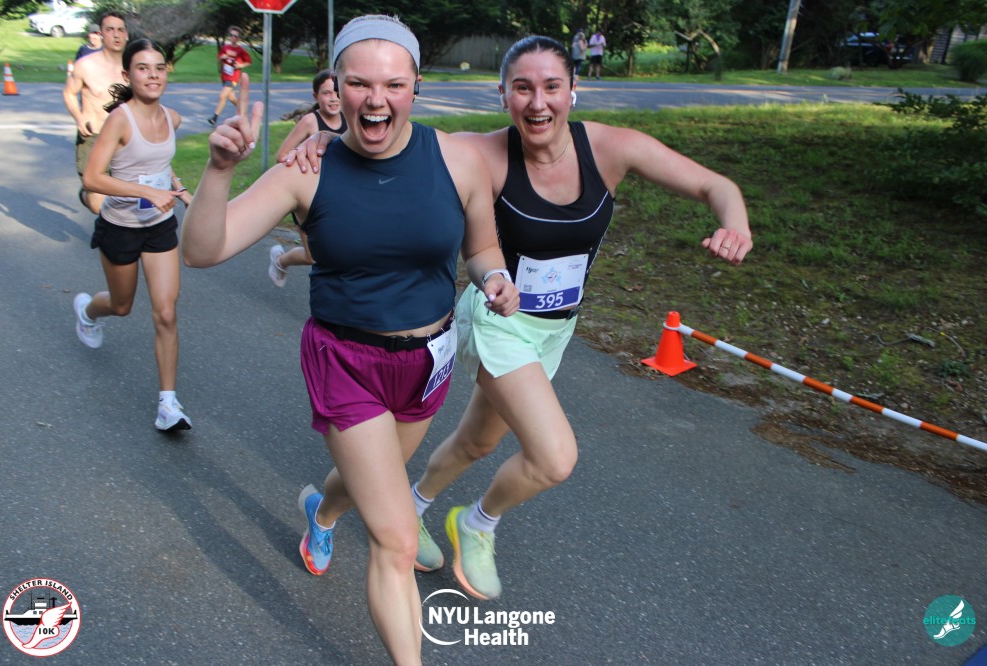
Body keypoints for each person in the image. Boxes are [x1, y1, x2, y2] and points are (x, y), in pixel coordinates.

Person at [291, 35, 752, 601]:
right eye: (522, 88)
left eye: (552, 87)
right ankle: (478, 524)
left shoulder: (611, 148)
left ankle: (410, 506)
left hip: (556, 329)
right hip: (497, 316)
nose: (538, 103)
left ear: (573, 91)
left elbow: (715, 184)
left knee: (477, 443)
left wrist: (735, 224)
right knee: (555, 457)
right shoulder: (481, 154)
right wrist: (324, 140)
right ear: (503, 94)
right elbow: (391, 139)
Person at [181, 15, 519, 664]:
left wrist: (495, 277)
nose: (375, 99)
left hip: (427, 362)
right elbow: (203, 250)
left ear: (415, 88)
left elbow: (481, 247)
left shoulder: (458, 160)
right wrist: (219, 170)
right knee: (395, 538)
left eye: (393, 84)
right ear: (334, 87)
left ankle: (322, 512)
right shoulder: (305, 169)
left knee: (368, 481)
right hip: (347, 364)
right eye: (359, 83)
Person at [75, 38, 193, 432]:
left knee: (166, 312)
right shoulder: (120, 120)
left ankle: (168, 405)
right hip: (120, 228)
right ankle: (88, 312)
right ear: (127, 75)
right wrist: (146, 191)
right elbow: (93, 177)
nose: (153, 75)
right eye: (143, 68)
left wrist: (179, 189)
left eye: (159, 67)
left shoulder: (172, 118)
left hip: (159, 226)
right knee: (121, 305)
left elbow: (159, 162)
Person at [268, 69, 347, 288]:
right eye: (326, 93)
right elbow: (281, 156)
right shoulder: (310, 121)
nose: (333, 98)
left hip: (338, 195)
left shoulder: (348, 118)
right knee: (312, 256)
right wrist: (305, 159)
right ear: (315, 96)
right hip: (309, 197)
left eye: (337, 92)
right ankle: (280, 260)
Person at [64, 11, 129, 214]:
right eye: (110, 30)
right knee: (97, 205)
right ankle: (87, 194)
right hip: (94, 136)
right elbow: (69, 92)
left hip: (125, 140)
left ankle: (115, 228)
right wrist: (79, 117)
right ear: (101, 34)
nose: (116, 34)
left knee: (126, 199)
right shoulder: (86, 65)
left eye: (120, 30)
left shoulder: (135, 66)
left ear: (126, 34)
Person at [208, 26, 252, 126]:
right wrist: (222, 58)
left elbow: (249, 61)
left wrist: (240, 65)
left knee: (222, 95)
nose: (233, 37)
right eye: (231, 35)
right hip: (225, 76)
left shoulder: (240, 50)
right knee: (231, 98)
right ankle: (244, 113)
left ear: (238, 38)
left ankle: (215, 117)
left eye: (235, 36)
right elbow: (219, 58)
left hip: (233, 77)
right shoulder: (225, 48)